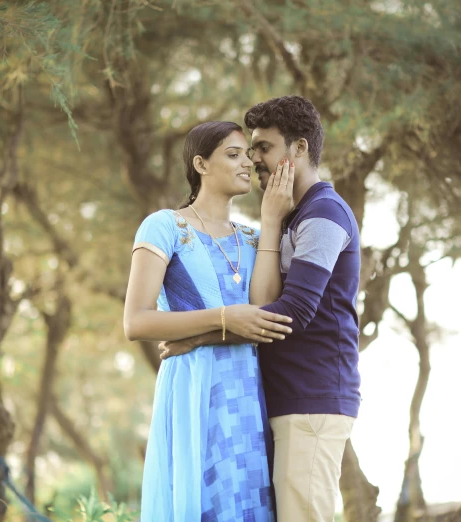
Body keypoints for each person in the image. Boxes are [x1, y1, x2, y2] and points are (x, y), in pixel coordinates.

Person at [159, 96, 362, 522]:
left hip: (312, 400)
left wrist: (198, 336)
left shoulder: (323, 214)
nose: (255, 160)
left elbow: (293, 312)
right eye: (249, 151)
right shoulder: (292, 216)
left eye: (264, 148)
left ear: (300, 148)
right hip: (285, 399)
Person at [124, 120, 297, 522]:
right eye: (233, 155)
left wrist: (272, 222)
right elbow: (136, 322)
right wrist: (223, 318)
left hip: (249, 393)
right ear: (200, 164)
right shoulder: (166, 226)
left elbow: (264, 312)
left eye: (248, 157)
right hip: (193, 389)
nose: (247, 165)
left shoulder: (254, 239)